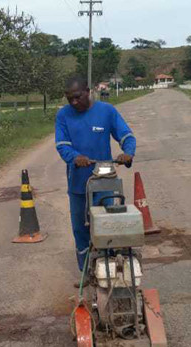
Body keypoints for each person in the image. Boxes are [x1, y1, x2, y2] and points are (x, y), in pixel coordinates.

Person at [55, 75, 137, 271]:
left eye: (77, 97)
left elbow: (126, 135)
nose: (74, 102)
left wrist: (127, 153)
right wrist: (75, 157)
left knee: (108, 225)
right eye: (70, 99)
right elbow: (62, 144)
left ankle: (109, 269)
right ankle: (86, 273)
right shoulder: (63, 115)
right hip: (78, 184)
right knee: (81, 229)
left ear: (88, 91)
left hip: (105, 183)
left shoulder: (107, 111)